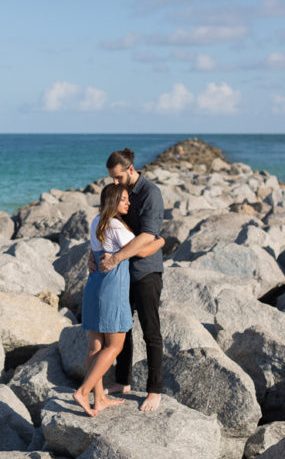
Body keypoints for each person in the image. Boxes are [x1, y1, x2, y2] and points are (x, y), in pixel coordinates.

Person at [74, 183, 165, 417]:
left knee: (95, 346)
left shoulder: (97, 222)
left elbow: (94, 251)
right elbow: (143, 250)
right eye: (124, 199)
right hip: (112, 289)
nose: (128, 203)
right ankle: (83, 392)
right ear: (113, 202)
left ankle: (100, 397)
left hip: (93, 286)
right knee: (115, 346)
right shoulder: (117, 226)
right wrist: (162, 240)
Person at [98, 148, 165, 412]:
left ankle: (154, 389)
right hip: (123, 273)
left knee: (151, 332)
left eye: (118, 178)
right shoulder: (119, 192)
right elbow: (106, 224)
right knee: (122, 328)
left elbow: (149, 237)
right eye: (111, 178)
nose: (114, 183)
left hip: (146, 273)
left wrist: (115, 258)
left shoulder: (151, 194)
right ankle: (123, 381)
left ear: (131, 169)